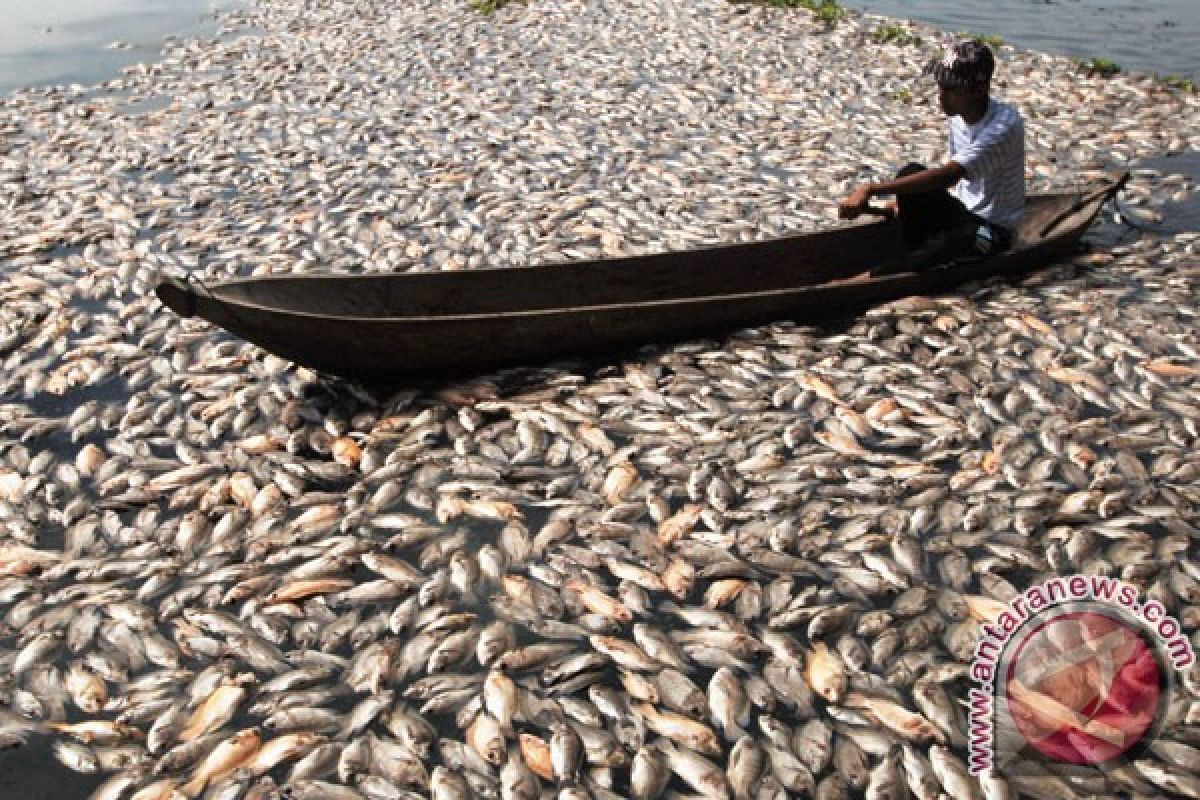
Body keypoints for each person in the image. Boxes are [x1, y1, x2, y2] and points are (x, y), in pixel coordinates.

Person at [838, 39, 1025, 275]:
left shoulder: (1003, 127)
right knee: (910, 172)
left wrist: (871, 189)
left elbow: (949, 176)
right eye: (940, 86)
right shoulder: (958, 116)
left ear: (979, 89)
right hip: (962, 213)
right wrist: (901, 202)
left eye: (951, 89)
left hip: (993, 232)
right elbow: (956, 182)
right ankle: (918, 256)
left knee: (953, 243)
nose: (941, 96)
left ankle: (869, 278)